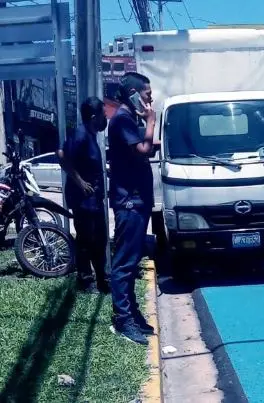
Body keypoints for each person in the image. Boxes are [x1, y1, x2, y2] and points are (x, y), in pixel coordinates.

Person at [107, 72, 156, 345]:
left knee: (132, 261)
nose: (150, 99)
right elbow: (144, 149)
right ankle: (123, 320)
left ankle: (132, 314)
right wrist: (151, 122)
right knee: (124, 263)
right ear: (134, 94)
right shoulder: (123, 119)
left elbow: (142, 148)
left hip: (137, 201)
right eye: (147, 94)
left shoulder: (129, 119)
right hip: (129, 202)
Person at [57, 96, 109, 294]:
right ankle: (86, 281)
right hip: (84, 201)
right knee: (87, 241)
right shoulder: (80, 134)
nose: (105, 118)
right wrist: (79, 181)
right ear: (94, 116)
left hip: (94, 200)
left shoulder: (89, 134)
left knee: (100, 240)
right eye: (103, 114)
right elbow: (61, 154)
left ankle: (101, 279)